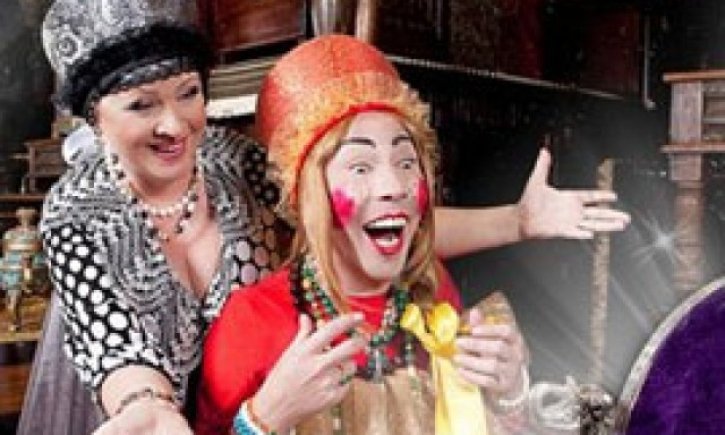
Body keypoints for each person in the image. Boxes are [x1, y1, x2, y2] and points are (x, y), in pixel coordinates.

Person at [19, 1, 630, 434]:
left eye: (189, 93)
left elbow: (358, 217)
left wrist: (516, 223)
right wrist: (157, 411)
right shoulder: (77, 213)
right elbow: (116, 349)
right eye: (140, 105)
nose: (175, 124)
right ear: (94, 118)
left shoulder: (239, 163)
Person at [196, 34, 531, 435]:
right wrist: (264, 418)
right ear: (308, 194)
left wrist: (509, 391)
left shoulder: (433, 292)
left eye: (406, 162)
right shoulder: (252, 321)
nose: (394, 187)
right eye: (361, 167)